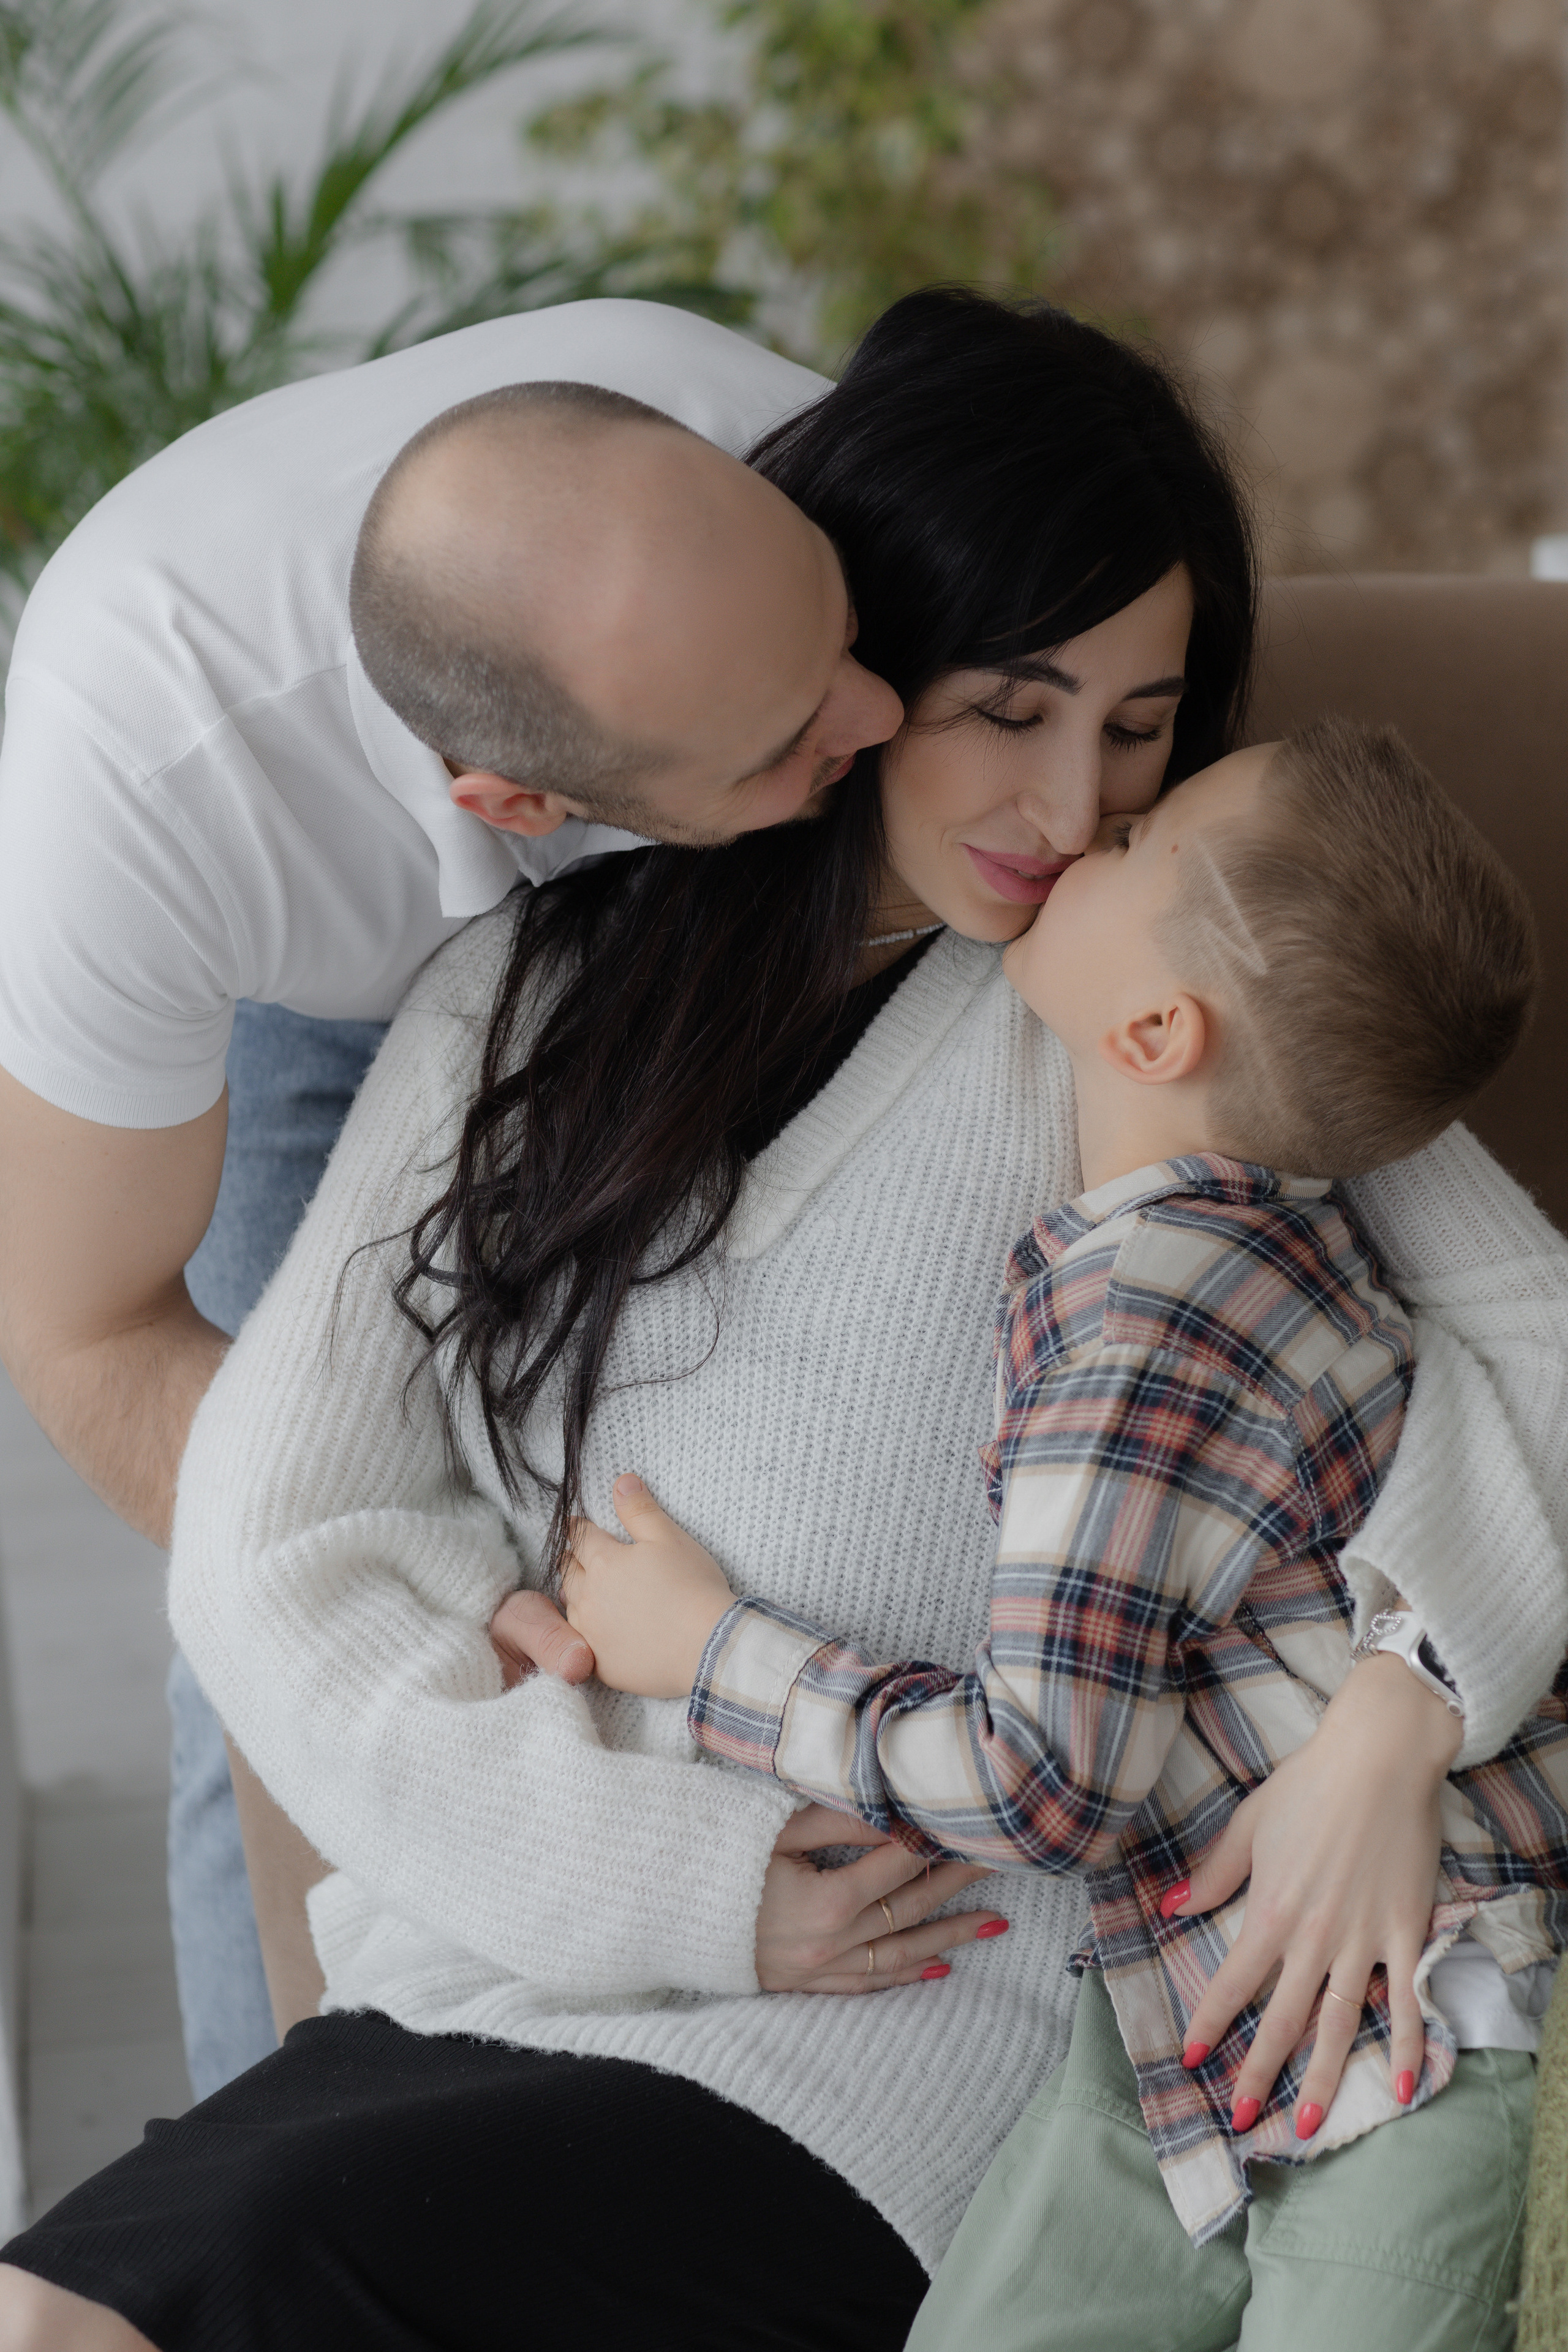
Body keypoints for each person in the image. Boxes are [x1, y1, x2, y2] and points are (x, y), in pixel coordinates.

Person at [2, 294, 1565, 2351]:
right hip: (528, 1974)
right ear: (863, 673)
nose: (1070, 805)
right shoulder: (534, 999)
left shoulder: (1172, 1014)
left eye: (1141, 729)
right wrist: (673, 1879)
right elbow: (273, 1541)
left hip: (923, 2018)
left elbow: (1540, 1340)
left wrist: (1403, 1705)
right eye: (1008, 708)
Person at [560, 718, 1558, 2347]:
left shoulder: (1145, 1333)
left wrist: (710, 1654)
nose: (1091, 827)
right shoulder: (1264, 1247)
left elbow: (1044, 1782)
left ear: (1157, 1030)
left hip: (1425, 2002)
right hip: (1184, 2007)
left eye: (1136, 842)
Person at [0, 297, 894, 2095]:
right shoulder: (136, 787)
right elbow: (85, 1329)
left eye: (848, 642)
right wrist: (384, 1594)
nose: (881, 707)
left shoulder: (781, 470)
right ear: (524, 803)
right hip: (303, 1004)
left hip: (710, 894)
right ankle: (273, 2130)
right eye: (797, 721)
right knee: (277, 1627)